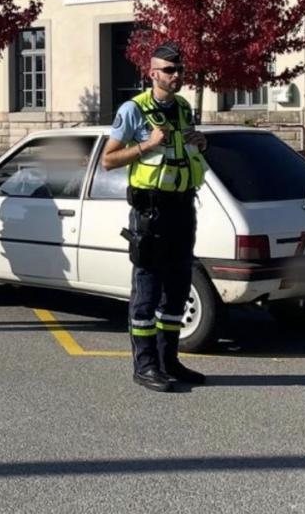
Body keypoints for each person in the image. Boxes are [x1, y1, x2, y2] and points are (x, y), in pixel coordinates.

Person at [101, 42, 210, 393]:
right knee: (147, 290)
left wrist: (200, 142)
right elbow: (109, 160)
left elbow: (185, 153)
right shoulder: (133, 110)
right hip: (150, 211)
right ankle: (145, 365)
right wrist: (146, 145)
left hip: (182, 206)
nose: (176, 76)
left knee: (177, 288)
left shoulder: (182, 108)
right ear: (152, 74)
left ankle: (169, 360)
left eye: (180, 70)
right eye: (169, 70)